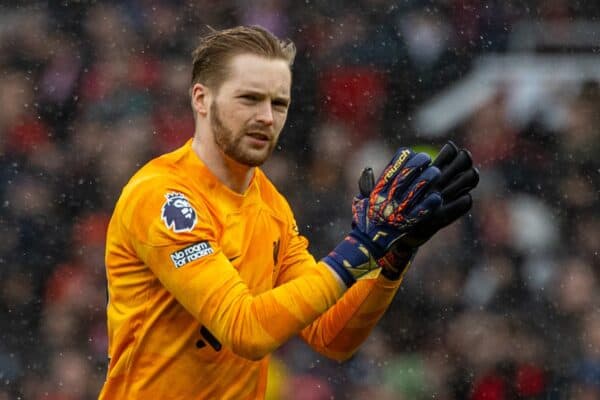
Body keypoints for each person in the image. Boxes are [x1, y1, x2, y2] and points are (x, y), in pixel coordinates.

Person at [99, 26, 478, 399]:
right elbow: (244, 329)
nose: (267, 117)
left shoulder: (270, 204)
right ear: (202, 99)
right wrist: (361, 247)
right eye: (249, 99)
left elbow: (332, 336)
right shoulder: (161, 196)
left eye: (278, 103)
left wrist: (392, 255)